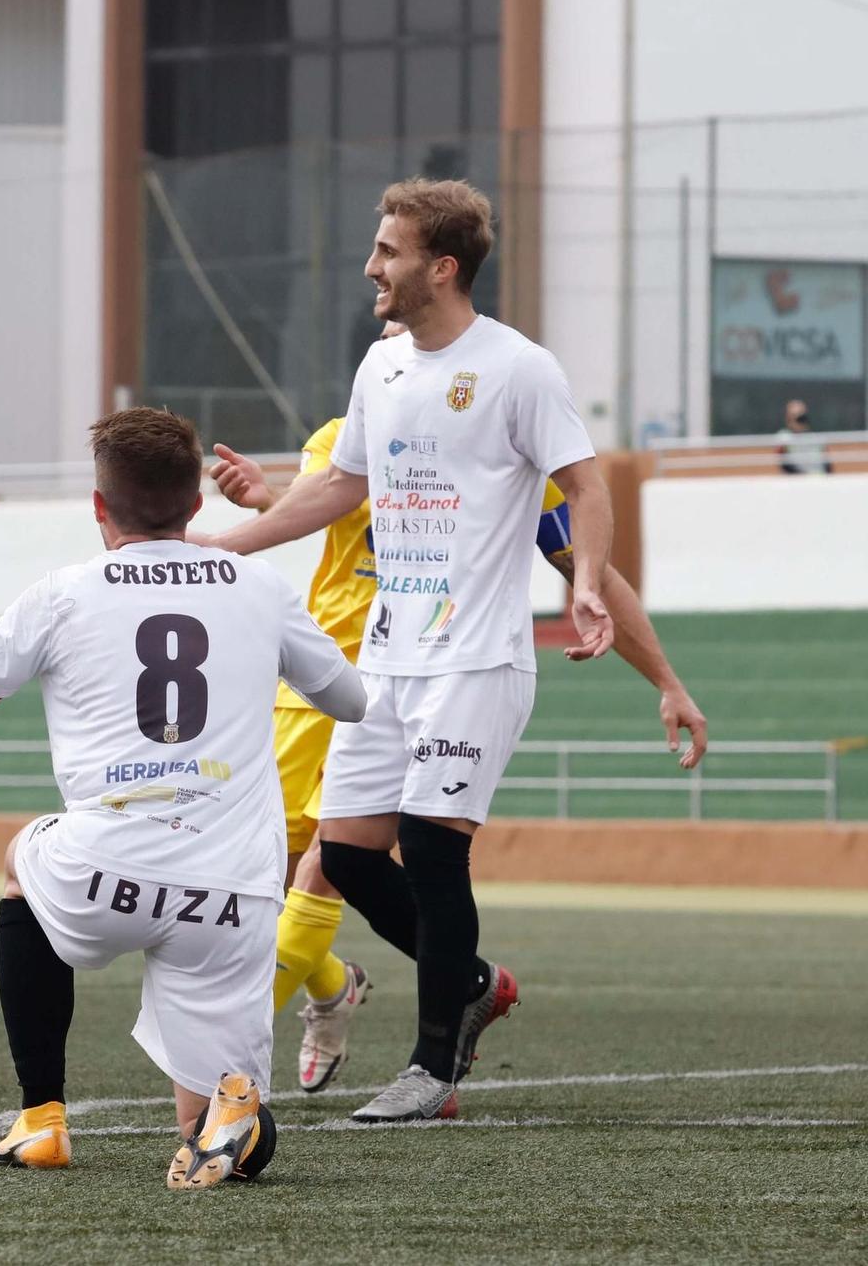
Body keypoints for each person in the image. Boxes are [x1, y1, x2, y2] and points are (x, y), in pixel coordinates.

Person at [197, 178, 614, 1123]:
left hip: (476, 659)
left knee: (430, 848)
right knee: (345, 855)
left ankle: (432, 1071)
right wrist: (220, 548)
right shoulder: (379, 370)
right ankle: (466, 980)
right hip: (385, 658)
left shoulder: (518, 368)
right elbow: (338, 489)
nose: (372, 267)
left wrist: (585, 581)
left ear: (443, 267)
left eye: (388, 251)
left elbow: (585, 487)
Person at [211, 322, 709, 1094]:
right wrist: (242, 524)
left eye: (402, 314)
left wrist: (666, 677)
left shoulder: (506, 437)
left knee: (353, 865)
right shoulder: (348, 428)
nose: (389, 327)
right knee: (298, 870)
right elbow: (332, 503)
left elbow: (588, 563)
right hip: (327, 678)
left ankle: (242, 1067)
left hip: (450, 668)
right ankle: (370, 986)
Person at [0, 407, 366, 1187]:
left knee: (22, 858)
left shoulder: (63, 594)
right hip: (231, 891)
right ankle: (229, 1119)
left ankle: (41, 1118)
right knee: (208, 1115)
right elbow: (349, 698)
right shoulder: (259, 585)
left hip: (100, 871)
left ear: (98, 506)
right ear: (195, 505)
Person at [778, 399, 832, 475]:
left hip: (818, 479)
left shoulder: (816, 438)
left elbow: (827, 465)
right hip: (796, 481)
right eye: (794, 417)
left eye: (802, 417)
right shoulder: (784, 437)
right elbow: (785, 466)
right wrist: (805, 476)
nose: (800, 421)